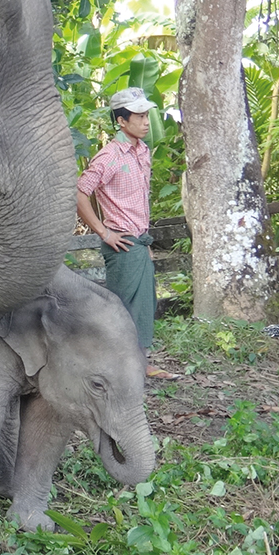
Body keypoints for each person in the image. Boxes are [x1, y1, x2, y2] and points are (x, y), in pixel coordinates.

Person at [75, 87, 178, 380]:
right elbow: (80, 193)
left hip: (138, 240)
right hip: (120, 242)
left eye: (147, 115)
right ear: (121, 121)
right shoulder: (109, 156)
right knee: (122, 306)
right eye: (140, 116)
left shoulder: (142, 151)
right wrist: (104, 232)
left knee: (144, 303)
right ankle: (115, 366)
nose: (146, 122)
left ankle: (140, 363)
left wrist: (143, 240)